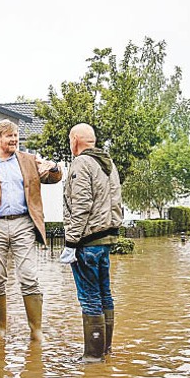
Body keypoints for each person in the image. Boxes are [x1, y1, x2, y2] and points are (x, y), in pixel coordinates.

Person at [0, 119, 62, 342]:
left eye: (16, 135)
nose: (14, 139)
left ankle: (36, 332)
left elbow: (53, 178)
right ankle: (0, 331)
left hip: (23, 224)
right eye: (9, 136)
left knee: (29, 276)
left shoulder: (29, 160)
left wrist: (54, 167)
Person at [60, 123, 123, 362]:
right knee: (105, 294)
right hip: (105, 238)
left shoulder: (81, 163)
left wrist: (71, 242)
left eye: (69, 139)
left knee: (89, 297)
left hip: (86, 241)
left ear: (75, 141)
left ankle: (93, 357)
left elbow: (82, 205)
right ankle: (105, 351)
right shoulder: (108, 163)